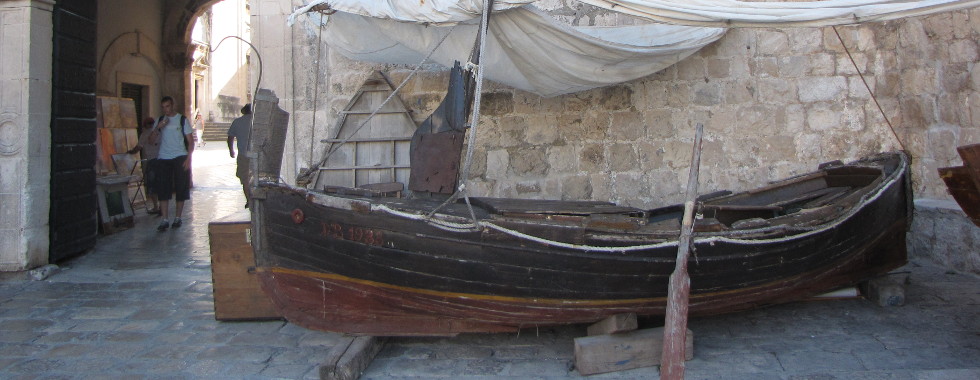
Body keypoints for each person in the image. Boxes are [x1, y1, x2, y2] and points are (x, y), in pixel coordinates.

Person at [154, 96, 195, 231]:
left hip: (180, 156)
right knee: (163, 187)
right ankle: (164, 219)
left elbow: (190, 141)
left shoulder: (182, 120)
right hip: (163, 157)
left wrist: (189, 158)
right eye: (163, 107)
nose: (166, 109)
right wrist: (158, 128)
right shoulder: (159, 121)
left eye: (168, 106)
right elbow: (150, 140)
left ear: (173, 106)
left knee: (180, 186)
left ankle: (178, 217)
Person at [126, 117, 162, 214]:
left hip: (152, 161)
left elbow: (138, 147)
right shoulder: (160, 132)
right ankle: (162, 207)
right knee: (161, 184)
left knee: (152, 185)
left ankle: (156, 207)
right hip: (162, 160)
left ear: (145, 125)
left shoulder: (144, 134)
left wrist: (130, 152)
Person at [227, 104, 253, 208]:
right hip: (257, 155)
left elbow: (230, 137)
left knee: (245, 180)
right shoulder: (256, 121)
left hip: (243, 155)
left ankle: (249, 200)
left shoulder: (237, 122)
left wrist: (231, 150)